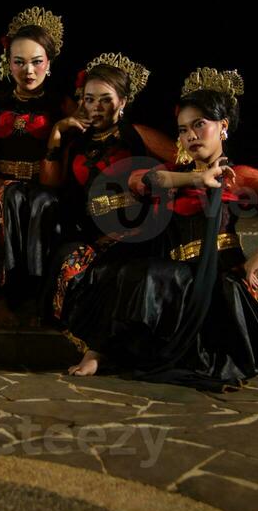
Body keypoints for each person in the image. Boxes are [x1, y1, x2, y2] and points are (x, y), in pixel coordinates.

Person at [63, 67, 258, 387]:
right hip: (177, 270)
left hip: (218, 271)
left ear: (222, 127)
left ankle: (103, 353)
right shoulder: (172, 173)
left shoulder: (242, 176)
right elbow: (142, 181)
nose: (190, 135)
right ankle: (98, 352)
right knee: (128, 270)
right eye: (182, 130)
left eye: (199, 125)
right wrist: (196, 178)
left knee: (149, 275)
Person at [40, 55, 176, 329]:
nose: (95, 107)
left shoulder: (137, 134)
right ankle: (72, 332)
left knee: (117, 270)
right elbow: (51, 183)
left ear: (123, 102)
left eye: (105, 99)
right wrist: (56, 132)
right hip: (91, 233)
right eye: (89, 99)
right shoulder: (76, 143)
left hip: (136, 233)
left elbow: (182, 161)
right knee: (67, 261)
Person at [0, 6, 75, 326]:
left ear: (49, 63)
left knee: (41, 203)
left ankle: (36, 300)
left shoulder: (61, 103)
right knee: (9, 198)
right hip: (4, 185)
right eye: (19, 62)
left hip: (45, 187)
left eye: (36, 62)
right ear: (8, 64)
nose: (28, 70)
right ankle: (1, 300)